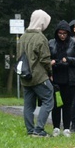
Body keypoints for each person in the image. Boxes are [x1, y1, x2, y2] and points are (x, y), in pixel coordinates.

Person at [19, 9, 54, 137]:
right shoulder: (40, 38)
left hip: (25, 76)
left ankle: (30, 130)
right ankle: (39, 130)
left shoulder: (23, 36)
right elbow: (45, 59)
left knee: (28, 104)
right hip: (39, 76)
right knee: (48, 99)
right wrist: (50, 72)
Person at [49, 20, 75, 137]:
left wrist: (69, 59)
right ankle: (55, 127)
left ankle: (66, 128)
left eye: (64, 33)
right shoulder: (51, 43)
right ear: (56, 33)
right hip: (55, 78)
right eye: (60, 33)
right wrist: (51, 63)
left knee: (68, 104)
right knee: (55, 104)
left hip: (70, 78)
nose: (62, 36)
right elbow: (45, 58)